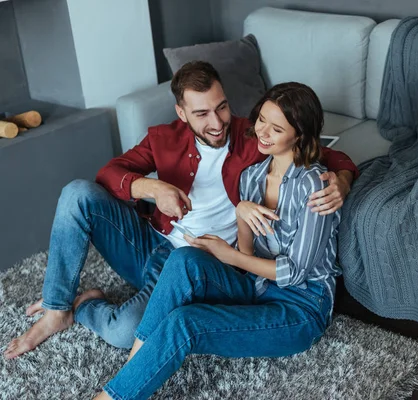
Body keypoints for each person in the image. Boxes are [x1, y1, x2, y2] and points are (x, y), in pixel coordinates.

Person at [3, 62, 358, 360]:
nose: (217, 122)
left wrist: (340, 180)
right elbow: (108, 175)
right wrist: (153, 188)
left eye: (221, 107)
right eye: (201, 113)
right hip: (149, 243)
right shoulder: (163, 137)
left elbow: (324, 154)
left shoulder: (255, 137)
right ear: (181, 112)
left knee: (126, 332)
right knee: (77, 194)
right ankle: (55, 310)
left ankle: (82, 308)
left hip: (194, 263)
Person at [94, 81, 344, 400]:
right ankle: (133, 368)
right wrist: (240, 211)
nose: (263, 133)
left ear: (299, 135)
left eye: (276, 128)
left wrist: (226, 256)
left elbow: (294, 274)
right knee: (184, 259)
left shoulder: (314, 186)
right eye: (262, 120)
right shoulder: (253, 175)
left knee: (186, 323)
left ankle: (111, 398)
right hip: (255, 286)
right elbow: (247, 249)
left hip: (301, 306)